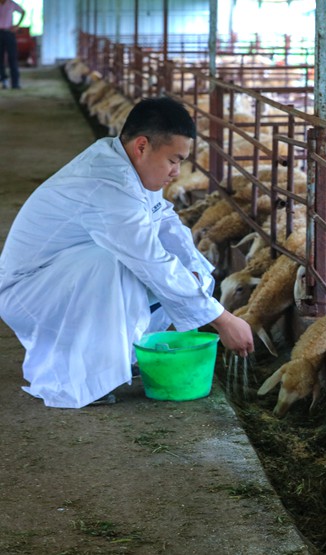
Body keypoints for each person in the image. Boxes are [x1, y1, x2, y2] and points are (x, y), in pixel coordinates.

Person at [0, 96, 255, 408]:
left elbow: (164, 222)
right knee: (118, 264)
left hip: (59, 277)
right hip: (29, 292)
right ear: (142, 146)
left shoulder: (127, 168)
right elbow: (149, 258)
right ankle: (74, 378)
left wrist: (197, 275)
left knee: (173, 269)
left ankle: (122, 356)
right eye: (173, 160)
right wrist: (222, 319)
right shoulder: (109, 181)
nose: (176, 172)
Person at [0, 0, 24, 89]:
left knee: (12, 58)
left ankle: (15, 83)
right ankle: (3, 81)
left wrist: (17, 25)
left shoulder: (11, 4)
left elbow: (23, 12)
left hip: (9, 32)